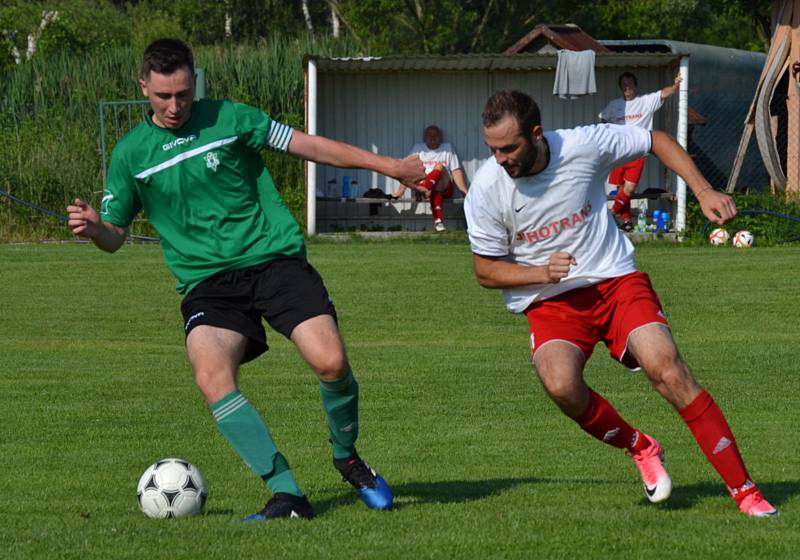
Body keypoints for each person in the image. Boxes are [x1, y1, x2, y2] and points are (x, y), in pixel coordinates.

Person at [67, 38, 425, 521]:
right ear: (143, 87)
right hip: (208, 284)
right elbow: (114, 236)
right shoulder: (131, 154)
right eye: (163, 97)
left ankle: (348, 457)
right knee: (211, 376)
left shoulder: (231, 118)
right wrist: (94, 229)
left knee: (332, 363)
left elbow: (310, 145)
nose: (175, 107)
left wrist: (388, 165)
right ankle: (287, 495)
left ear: (195, 83)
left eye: (184, 95)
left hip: (273, 260)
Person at [463, 89, 777, 518]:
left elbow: (657, 140)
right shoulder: (485, 189)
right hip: (551, 302)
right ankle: (641, 447)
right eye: (492, 149)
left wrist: (703, 191)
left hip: (614, 282)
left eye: (508, 148)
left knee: (667, 369)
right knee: (560, 385)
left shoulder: (582, 145)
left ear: (536, 134)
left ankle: (747, 493)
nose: (500, 159)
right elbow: (485, 270)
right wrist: (541, 273)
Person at [599, 72, 682, 231]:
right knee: (620, 189)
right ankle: (627, 221)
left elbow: (663, 94)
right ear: (620, 87)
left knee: (629, 188)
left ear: (635, 86)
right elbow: (602, 118)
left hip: (636, 153)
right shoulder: (614, 105)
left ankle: (610, 216)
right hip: (618, 154)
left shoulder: (645, 102)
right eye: (624, 84)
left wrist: (676, 86)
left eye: (630, 83)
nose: (627, 87)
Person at [391, 124, 469, 232]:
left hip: (444, 186)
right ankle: (439, 222)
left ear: (440, 138)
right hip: (432, 189)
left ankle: (425, 188)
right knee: (435, 189)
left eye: (435, 135)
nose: (432, 138)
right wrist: (400, 191)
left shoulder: (447, 148)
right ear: (425, 138)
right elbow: (407, 171)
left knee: (439, 167)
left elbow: (455, 170)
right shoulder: (418, 148)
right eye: (429, 136)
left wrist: (464, 192)